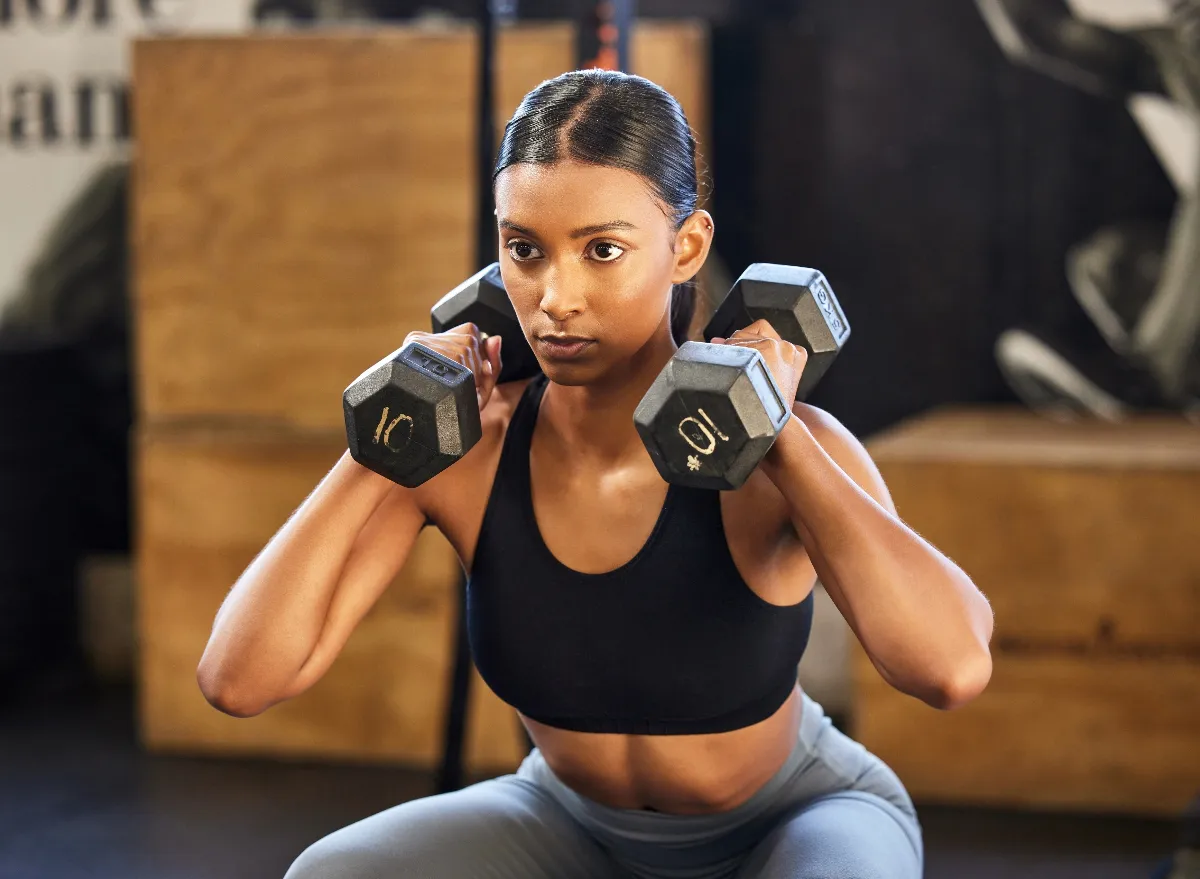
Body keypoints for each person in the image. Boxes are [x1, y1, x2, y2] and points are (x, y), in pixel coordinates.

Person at [197, 69, 995, 879]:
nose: (555, 298)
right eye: (525, 250)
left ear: (685, 248)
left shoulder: (791, 450)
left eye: (602, 250)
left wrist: (778, 431)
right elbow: (240, 678)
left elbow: (951, 668)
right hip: (565, 821)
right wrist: (377, 448)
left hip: (793, 816)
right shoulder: (466, 452)